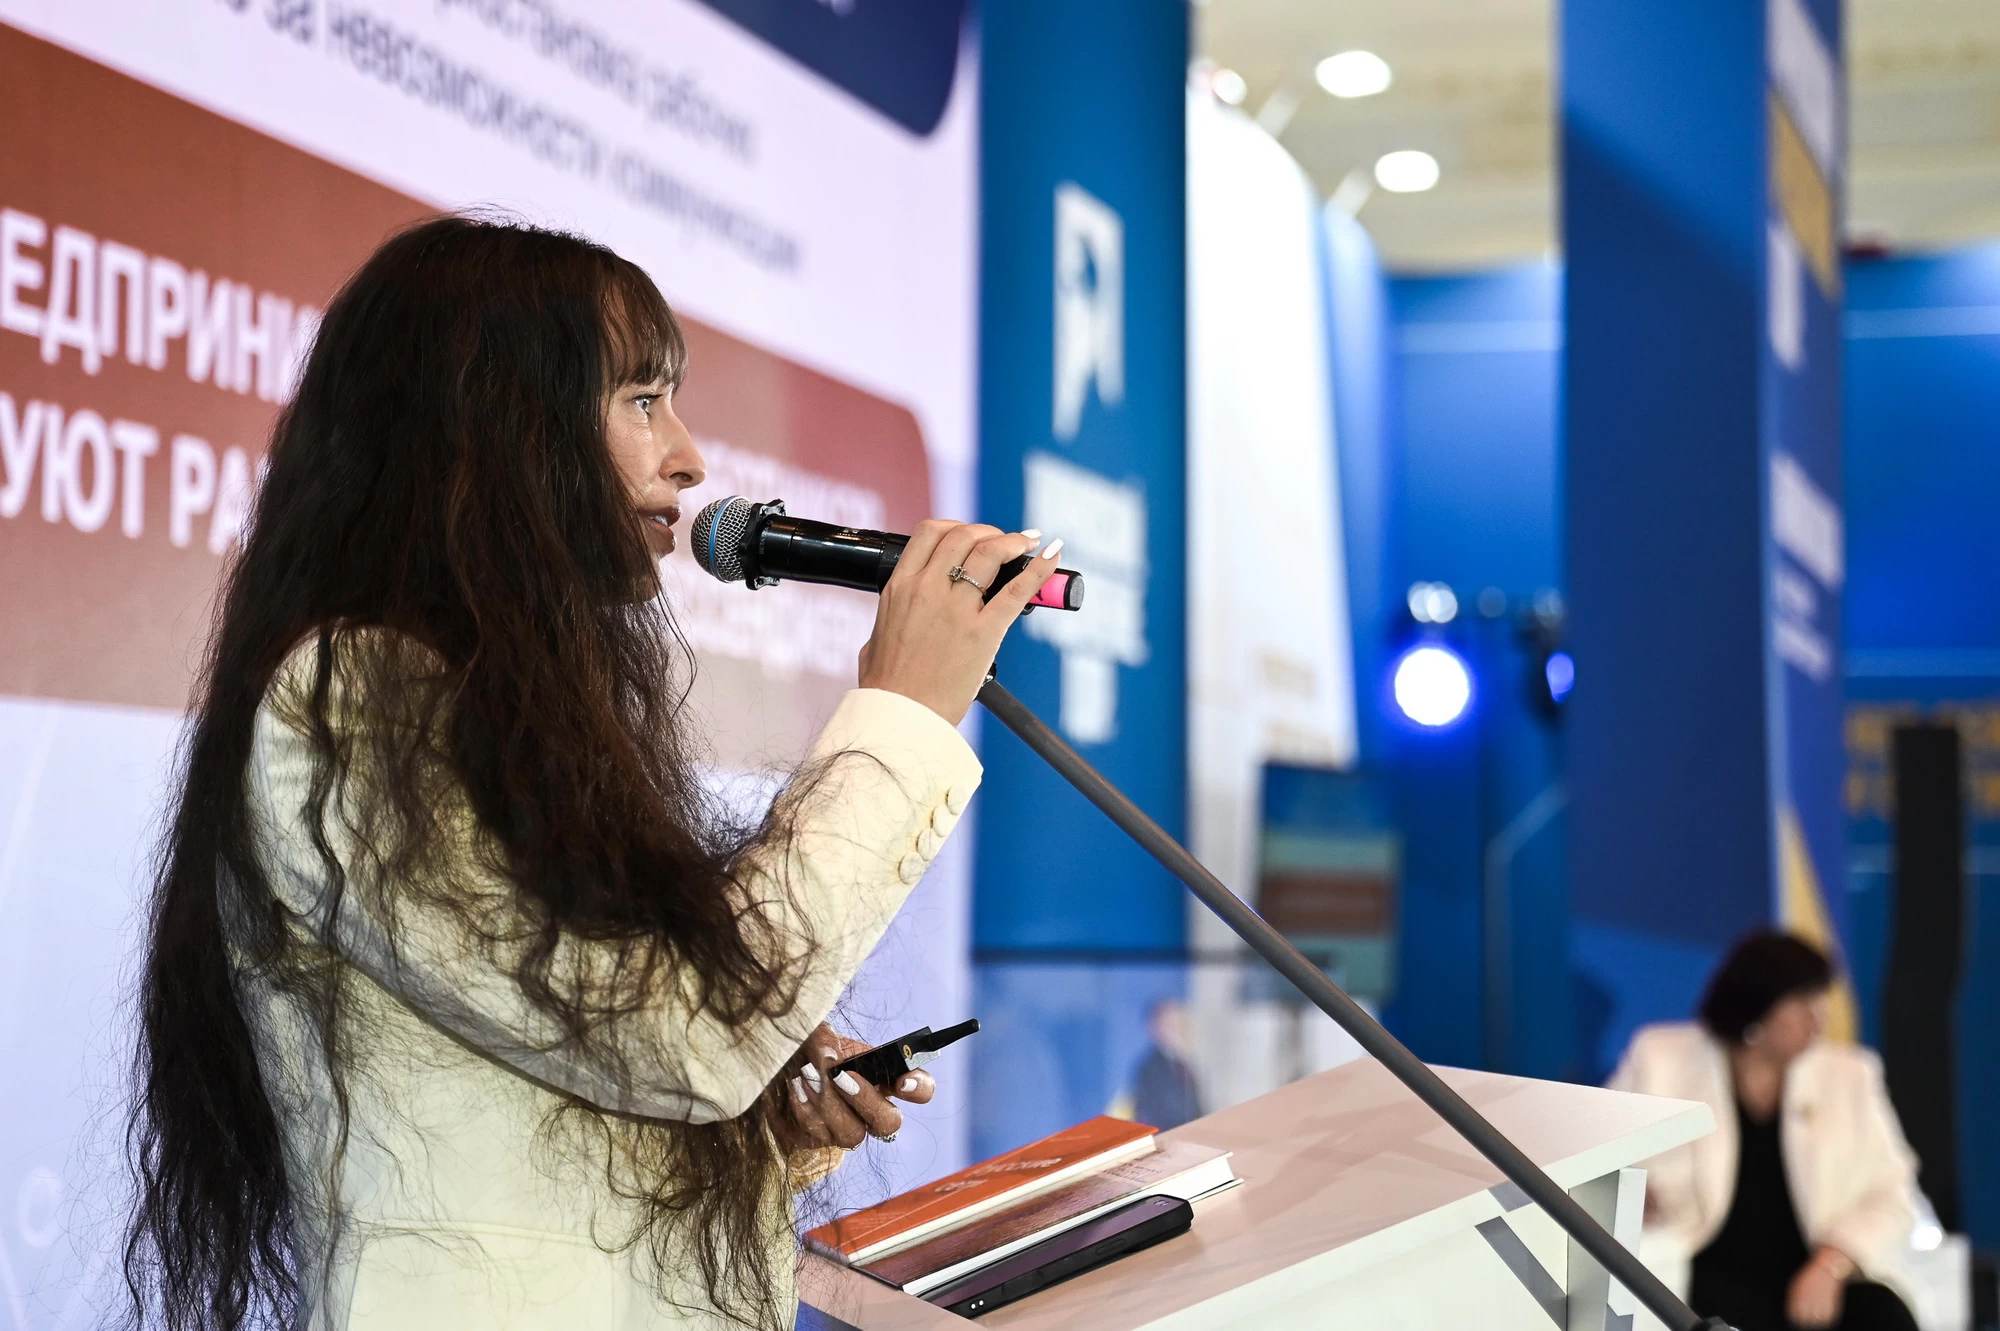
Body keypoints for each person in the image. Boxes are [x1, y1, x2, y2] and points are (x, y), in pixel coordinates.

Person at [122, 216, 1062, 1331]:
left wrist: (759, 1123)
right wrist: (898, 715)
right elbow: (677, 1037)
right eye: (641, 399)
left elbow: (593, 1075)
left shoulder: (509, 711)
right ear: (496, 427)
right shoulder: (350, 700)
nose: (689, 457)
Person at [1609, 932, 1922, 1331]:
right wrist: (1630, 1192)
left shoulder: (1850, 1075)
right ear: (1754, 1006)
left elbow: (1893, 1193)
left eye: (1821, 999)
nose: (1819, 1017)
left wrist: (1831, 1263)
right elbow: (1596, 1156)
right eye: (1802, 1001)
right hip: (1700, 1274)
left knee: (1883, 1312)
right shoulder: (1662, 1059)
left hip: (1811, 1278)